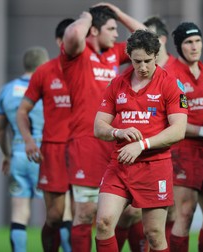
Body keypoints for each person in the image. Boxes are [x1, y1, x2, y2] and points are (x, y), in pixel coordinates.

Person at [60, 3, 146, 251]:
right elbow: (75, 34)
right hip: (85, 143)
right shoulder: (77, 53)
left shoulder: (113, 54)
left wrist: (116, 13)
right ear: (95, 31)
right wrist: (87, 17)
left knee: (128, 213)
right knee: (86, 213)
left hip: (114, 142)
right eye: (111, 28)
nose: (117, 34)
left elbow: (146, 38)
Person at [93, 29, 188, 252]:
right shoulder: (117, 84)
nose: (142, 67)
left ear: (156, 56)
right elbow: (99, 126)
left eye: (147, 60)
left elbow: (178, 130)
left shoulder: (171, 84)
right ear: (128, 56)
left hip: (154, 166)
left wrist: (142, 144)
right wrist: (118, 132)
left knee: (154, 235)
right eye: (137, 61)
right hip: (121, 163)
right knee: (103, 223)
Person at [114, 16, 176, 252]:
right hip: (137, 154)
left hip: (171, 153)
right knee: (130, 215)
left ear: (159, 42)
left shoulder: (172, 75)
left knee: (171, 218)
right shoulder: (126, 78)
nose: (142, 65)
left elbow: (180, 123)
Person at [164, 22, 203, 252]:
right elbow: (171, 120)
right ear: (179, 47)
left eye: (197, 41)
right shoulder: (170, 76)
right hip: (183, 151)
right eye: (188, 42)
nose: (194, 46)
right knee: (185, 213)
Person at [16, 18, 75, 252]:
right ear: (60, 41)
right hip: (54, 150)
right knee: (54, 216)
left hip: (85, 148)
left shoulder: (92, 70)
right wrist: (29, 140)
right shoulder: (45, 72)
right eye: (70, 39)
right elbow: (23, 111)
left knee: (86, 215)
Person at [0, 46, 49, 252]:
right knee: (59, 211)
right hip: (45, 154)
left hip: (18, 153)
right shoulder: (48, 86)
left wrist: (6, 154)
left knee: (19, 211)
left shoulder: (7, 90)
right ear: (43, 65)